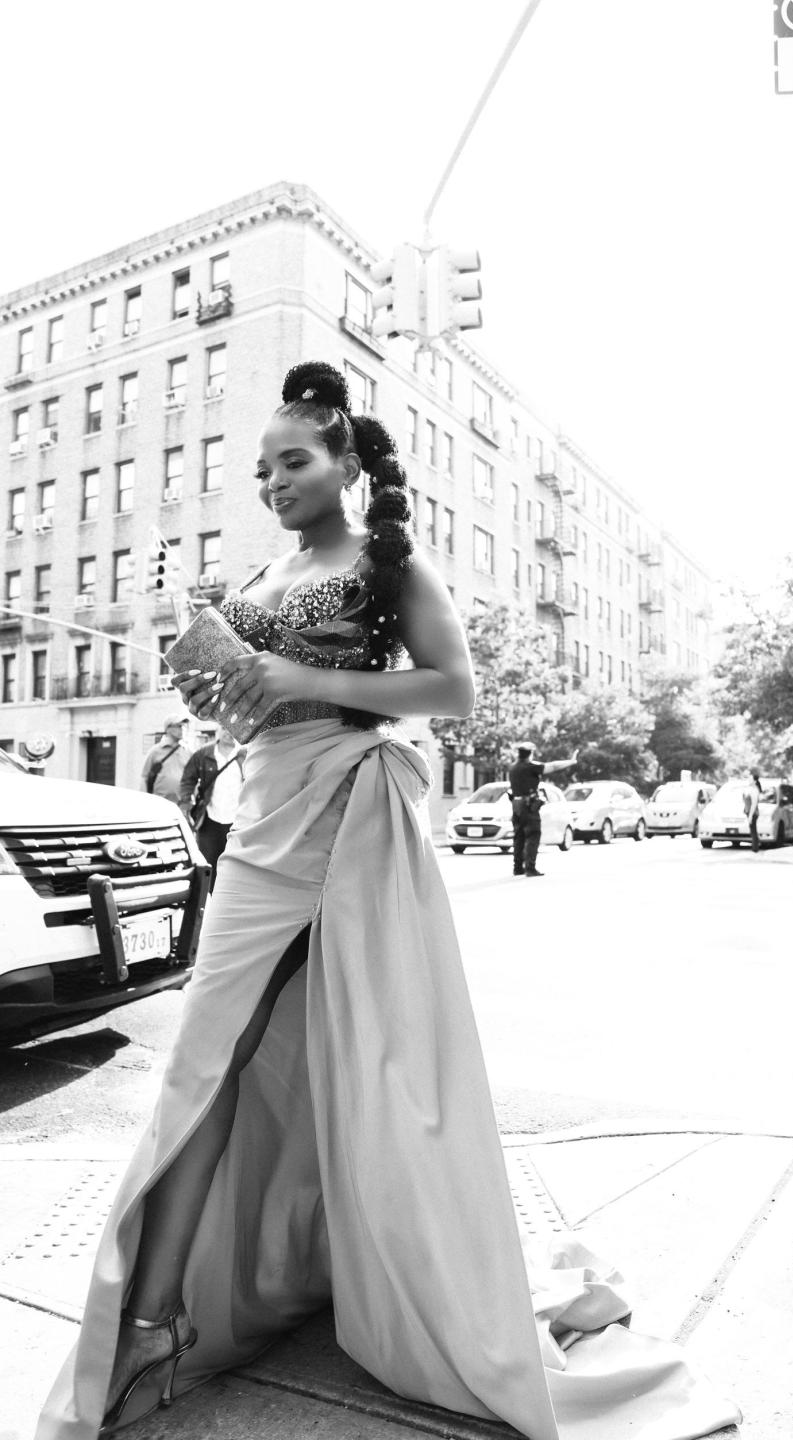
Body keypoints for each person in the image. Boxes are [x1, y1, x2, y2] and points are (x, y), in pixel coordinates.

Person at [37, 363, 738, 1440]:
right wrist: (220, 684)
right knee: (226, 1071)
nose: (273, 480)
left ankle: (151, 1323)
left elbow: (451, 691)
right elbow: (253, 708)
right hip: (262, 817)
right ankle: (165, 1316)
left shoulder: (386, 564)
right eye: (262, 466)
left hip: (342, 824)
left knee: (300, 1069)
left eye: (296, 460)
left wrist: (301, 684)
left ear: (347, 464)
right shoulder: (260, 576)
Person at [178, 725, 245, 887]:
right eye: (224, 727)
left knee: (233, 866)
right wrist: (186, 803)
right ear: (218, 731)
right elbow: (188, 779)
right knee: (208, 862)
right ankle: (205, 900)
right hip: (209, 819)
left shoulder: (245, 755)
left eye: (232, 727)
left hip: (237, 822)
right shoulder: (204, 754)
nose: (229, 732)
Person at [507, 743, 578, 876]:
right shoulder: (530, 767)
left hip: (516, 805)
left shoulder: (513, 768)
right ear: (530, 754)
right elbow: (553, 766)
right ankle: (530, 868)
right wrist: (571, 761)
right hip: (528, 806)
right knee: (533, 835)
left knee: (519, 837)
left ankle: (517, 868)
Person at [140, 714, 190, 804]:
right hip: (160, 804)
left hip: (182, 805)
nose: (182, 729)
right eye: (178, 726)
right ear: (168, 729)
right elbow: (144, 777)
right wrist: (144, 802)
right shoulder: (155, 751)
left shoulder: (188, 752)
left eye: (183, 726)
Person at [745, 769, 763, 853]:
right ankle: (755, 847)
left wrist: (751, 816)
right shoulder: (750, 789)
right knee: (752, 830)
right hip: (749, 812)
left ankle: (755, 848)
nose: (749, 780)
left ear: (755, 781)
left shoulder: (755, 790)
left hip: (753, 813)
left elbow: (754, 804)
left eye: (750, 779)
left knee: (753, 831)